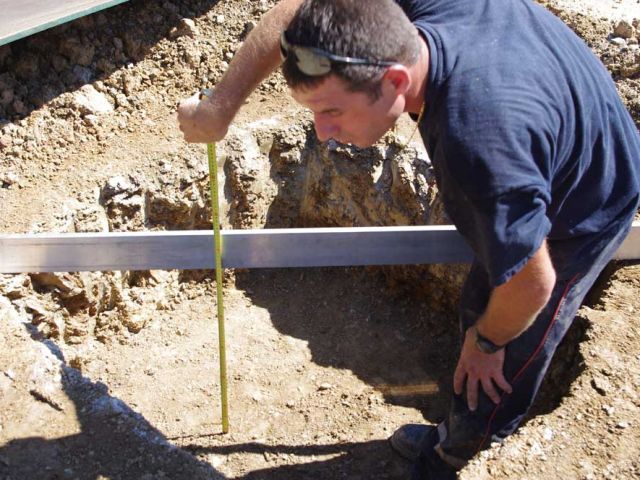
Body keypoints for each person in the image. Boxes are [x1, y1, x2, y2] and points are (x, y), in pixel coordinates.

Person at [178, 0, 640, 478]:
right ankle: (457, 425)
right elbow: (298, 10)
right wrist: (219, 107)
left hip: (586, 196)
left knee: (504, 340)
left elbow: (532, 283)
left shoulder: (479, 146)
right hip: (544, 120)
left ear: (397, 82)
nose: (323, 131)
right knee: (487, 291)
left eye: (333, 109)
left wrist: (485, 343)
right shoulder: (403, 15)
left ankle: (459, 454)